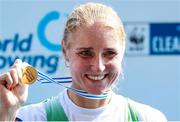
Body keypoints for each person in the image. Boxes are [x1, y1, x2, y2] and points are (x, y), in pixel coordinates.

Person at [0, 2, 167, 121]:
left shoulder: (147, 118)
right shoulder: (31, 118)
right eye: (86, 53)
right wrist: (7, 113)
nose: (99, 66)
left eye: (109, 53)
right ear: (65, 51)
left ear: (122, 52)